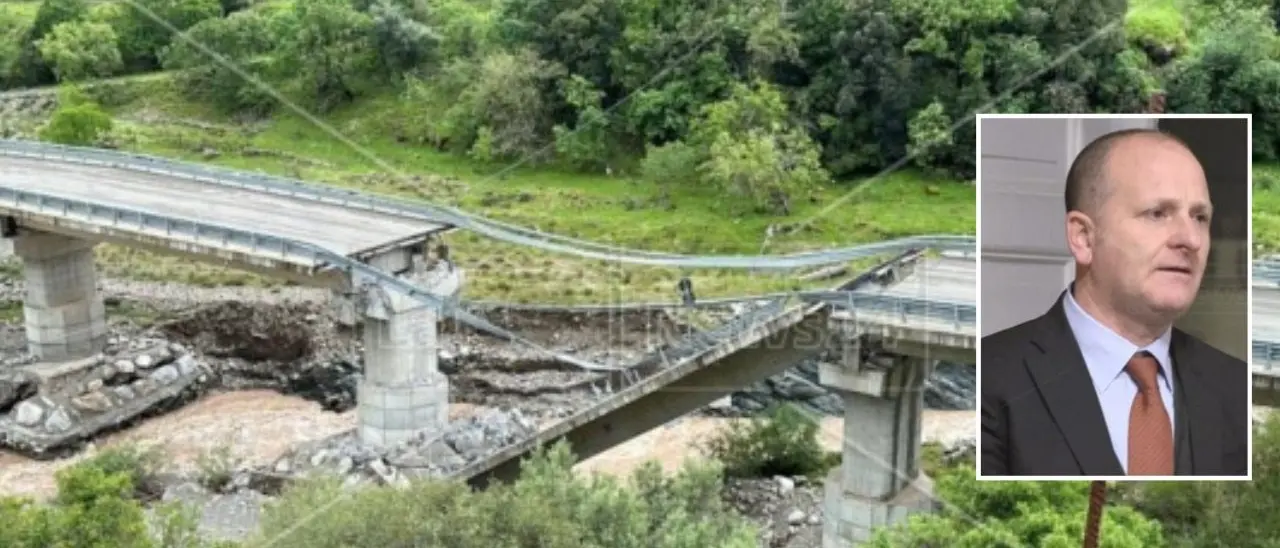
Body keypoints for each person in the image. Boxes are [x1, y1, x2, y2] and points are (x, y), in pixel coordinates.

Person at [980, 128, 1248, 477]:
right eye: (1157, 213)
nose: (1190, 239)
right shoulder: (991, 376)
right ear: (1084, 237)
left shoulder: (1234, 385)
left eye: (1200, 217)